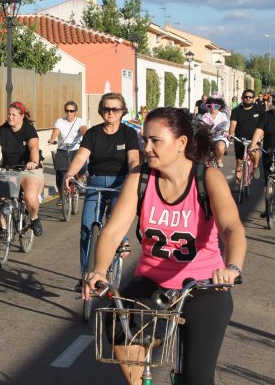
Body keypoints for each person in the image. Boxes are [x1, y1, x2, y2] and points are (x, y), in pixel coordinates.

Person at [83, 107, 246, 384]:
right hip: (151, 283)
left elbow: (232, 229)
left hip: (204, 286)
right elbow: (111, 233)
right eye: (144, 139)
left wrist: (231, 267)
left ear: (181, 143)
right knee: (112, 323)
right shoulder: (141, 178)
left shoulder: (207, 178)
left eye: (155, 140)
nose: (147, 147)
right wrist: (98, 271)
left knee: (197, 377)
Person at [64, 93, 140, 290]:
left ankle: (121, 240)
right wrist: (70, 174)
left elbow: (133, 160)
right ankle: (85, 275)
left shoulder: (128, 134)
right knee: (87, 228)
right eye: (107, 108)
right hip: (95, 182)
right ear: (101, 110)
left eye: (115, 109)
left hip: (120, 183)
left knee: (116, 221)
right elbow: (81, 157)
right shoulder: (93, 133)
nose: (111, 112)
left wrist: (134, 178)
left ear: (122, 111)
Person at [0, 101, 44, 236]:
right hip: (9, 169)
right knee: (0, 197)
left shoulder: (28, 129)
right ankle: (2, 228)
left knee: (30, 196)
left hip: (27, 170)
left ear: (22, 116)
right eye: (9, 114)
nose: (10, 117)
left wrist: (33, 161)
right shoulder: (2, 130)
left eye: (14, 114)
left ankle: (34, 218)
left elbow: (34, 147)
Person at [47, 101, 87, 205]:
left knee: (83, 167)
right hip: (62, 148)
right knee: (59, 174)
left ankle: (79, 180)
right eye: (67, 111)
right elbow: (56, 131)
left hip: (76, 148)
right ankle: (61, 197)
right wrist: (52, 139)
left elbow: (83, 129)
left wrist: (86, 137)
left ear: (75, 112)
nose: (69, 113)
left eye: (71, 111)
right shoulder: (60, 121)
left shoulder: (79, 121)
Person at [250, 92, 275, 215]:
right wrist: (252, 145)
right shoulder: (266, 116)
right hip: (269, 151)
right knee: (268, 181)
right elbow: (259, 130)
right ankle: (268, 207)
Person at [228, 89, 263, 185]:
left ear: (253, 98)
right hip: (240, 140)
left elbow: (262, 125)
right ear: (242, 98)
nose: (248, 99)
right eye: (246, 97)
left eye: (250, 97)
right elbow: (233, 125)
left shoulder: (259, 109)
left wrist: (261, 136)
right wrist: (231, 134)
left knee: (255, 151)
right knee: (239, 163)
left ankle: (255, 167)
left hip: (254, 140)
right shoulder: (236, 111)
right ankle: (240, 185)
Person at [201, 97, 230, 167]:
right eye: (210, 106)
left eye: (216, 106)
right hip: (208, 136)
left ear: (219, 107)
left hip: (220, 136)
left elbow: (226, 125)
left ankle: (219, 159)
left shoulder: (222, 115)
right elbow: (201, 126)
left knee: (220, 146)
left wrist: (225, 131)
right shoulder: (205, 115)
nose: (213, 108)